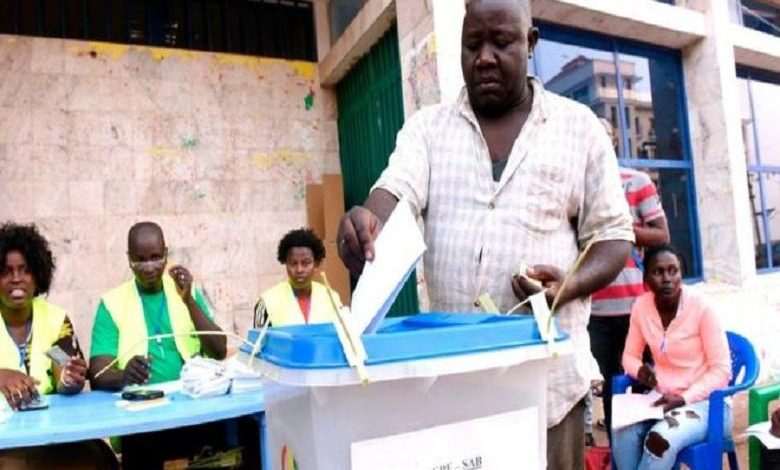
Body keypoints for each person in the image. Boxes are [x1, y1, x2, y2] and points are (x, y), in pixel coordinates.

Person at [336, 0, 634, 468]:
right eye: (473, 44)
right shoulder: (427, 129)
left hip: (549, 390)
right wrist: (368, 220)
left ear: (530, 43)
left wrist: (570, 284)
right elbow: (395, 189)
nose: (485, 57)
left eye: (502, 41)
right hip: (455, 390)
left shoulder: (579, 129)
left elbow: (614, 236)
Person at [88, 221, 231, 470]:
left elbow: (219, 350)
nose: (149, 267)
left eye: (155, 257)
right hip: (142, 423)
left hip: (194, 412)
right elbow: (98, 375)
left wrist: (189, 302)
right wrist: (124, 375)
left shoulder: (186, 291)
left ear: (166, 254)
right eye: (140, 259)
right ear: (128, 258)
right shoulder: (111, 303)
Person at [0, 222, 116, 469]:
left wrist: (67, 378)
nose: (16, 279)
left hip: (50, 436)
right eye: (6, 271)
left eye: (25, 270)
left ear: (38, 274)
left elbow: (60, 362)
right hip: (5, 442)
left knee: (97, 457)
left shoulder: (55, 319)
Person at [612, 245, 731, 470]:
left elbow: (722, 371)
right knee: (622, 431)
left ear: (681, 275)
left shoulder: (702, 308)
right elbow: (629, 356)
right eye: (658, 272)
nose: (667, 279)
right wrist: (640, 371)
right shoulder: (641, 307)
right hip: (661, 400)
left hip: (707, 405)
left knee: (659, 441)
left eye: (673, 271)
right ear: (646, 278)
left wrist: (684, 398)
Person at [589, 118, 670, 439]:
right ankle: (623, 459)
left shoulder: (636, 182)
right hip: (594, 313)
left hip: (637, 309)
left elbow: (662, 234)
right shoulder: (579, 190)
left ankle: (657, 452)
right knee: (612, 389)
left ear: (613, 143)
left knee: (649, 385)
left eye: (602, 137)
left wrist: (620, 230)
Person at [253, 228, 342, 328]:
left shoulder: (332, 298)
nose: (299, 269)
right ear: (285, 263)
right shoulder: (266, 302)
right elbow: (257, 342)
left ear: (316, 264)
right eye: (293, 263)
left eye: (306, 263)